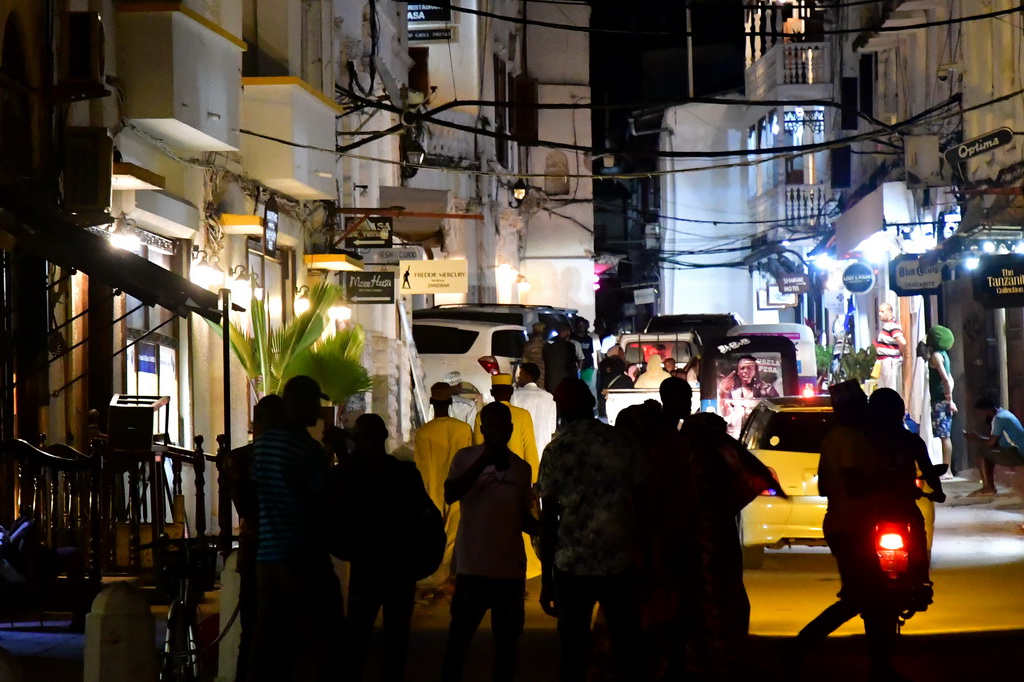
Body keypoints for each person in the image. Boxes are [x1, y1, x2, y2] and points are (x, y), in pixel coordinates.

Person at [538, 379, 648, 682]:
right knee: (628, 648)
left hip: (571, 565)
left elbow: (549, 518)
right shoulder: (623, 443)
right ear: (591, 405)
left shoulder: (556, 450)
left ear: (561, 410)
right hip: (619, 560)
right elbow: (643, 504)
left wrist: (547, 580)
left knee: (573, 652)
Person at [792, 381, 903, 681]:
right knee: (867, 599)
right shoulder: (851, 438)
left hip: (846, 526)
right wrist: (886, 483)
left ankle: (877, 666)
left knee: (867, 598)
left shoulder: (834, 438)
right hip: (852, 528)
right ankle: (799, 647)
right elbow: (855, 483)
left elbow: (824, 485)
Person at [249, 375, 342, 682]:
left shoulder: (261, 446)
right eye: (315, 402)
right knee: (323, 635)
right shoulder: (306, 448)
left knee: (270, 639)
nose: (318, 409)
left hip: (268, 556)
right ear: (298, 405)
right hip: (303, 554)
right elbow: (322, 500)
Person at [440, 402, 539, 682]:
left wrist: (545, 530)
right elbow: (451, 494)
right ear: (483, 430)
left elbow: (521, 516)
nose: (496, 432)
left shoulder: (521, 468)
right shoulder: (465, 458)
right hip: (472, 569)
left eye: (501, 427)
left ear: (509, 430)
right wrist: (484, 460)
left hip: (509, 572)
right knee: (458, 642)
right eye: (490, 427)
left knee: (507, 648)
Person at [337, 413, 434, 682]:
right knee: (393, 641)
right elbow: (425, 518)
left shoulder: (358, 473)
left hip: (371, 564)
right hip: (397, 565)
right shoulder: (403, 473)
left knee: (359, 637)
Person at [225, 394, 284, 682]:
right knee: (260, 630)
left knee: (256, 631)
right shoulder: (246, 458)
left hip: (261, 549)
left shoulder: (243, 458)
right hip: (273, 549)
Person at [474, 373, 541, 578]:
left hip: (489, 478)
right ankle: (524, 566)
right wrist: (535, 481)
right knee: (518, 522)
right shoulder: (522, 415)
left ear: (493, 393)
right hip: (517, 478)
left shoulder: (482, 415)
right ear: (511, 392)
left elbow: (478, 448)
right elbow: (530, 449)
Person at [414, 383, 474, 594]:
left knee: (436, 533)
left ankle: (436, 573)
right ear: (450, 402)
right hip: (459, 486)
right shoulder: (464, 429)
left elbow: (421, 467)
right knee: (454, 532)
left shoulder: (423, 432)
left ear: (432, 402)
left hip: (433, 488)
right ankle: (448, 574)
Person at [964, 396, 1024, 497]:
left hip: (1017, 454)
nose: (979, 417)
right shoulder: (1004, 414)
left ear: (985, 411)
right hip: (1017, 451)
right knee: (987, 451)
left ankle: (988, 487)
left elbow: (991, 443)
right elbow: (994, 441)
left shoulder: (999, 418)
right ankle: (989, 486)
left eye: (979, 413)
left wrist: (976, 438)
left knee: (982, 451)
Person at [922, 325, 957, 476]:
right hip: (942, 399)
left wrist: (949, 399)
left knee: (944, 435)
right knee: (944, 434)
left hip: (940, 400)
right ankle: (946, 469)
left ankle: (947, 470)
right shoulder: (944, 355)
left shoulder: (936, 356)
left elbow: (945, 379)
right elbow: (951, 379)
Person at [511, 363, 558, 460]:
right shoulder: (549, 397)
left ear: (527, 376)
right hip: (542, 450)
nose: (518, 378)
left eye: (520, 374)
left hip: (522, 450)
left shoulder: (516, 395)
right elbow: (552, 429)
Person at [875, 303, 909, 397]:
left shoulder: (892, 326)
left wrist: (900, 353)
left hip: (889, 360)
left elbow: (902, 342)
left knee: (889, 389)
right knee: (883, 388)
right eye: (879, 311)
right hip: (884, 361)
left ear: (889, 312)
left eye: (882, 311)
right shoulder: (888, 325)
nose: (880, 314)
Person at [542, 322, 579, 394]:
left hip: (551, 382)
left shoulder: (548, 347)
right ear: (566, 332)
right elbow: (572, 366)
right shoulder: (570, 346)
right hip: (566, 382)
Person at [521, 323, 548, 390]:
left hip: (531, 373)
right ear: (542, 332)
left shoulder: (527, 345)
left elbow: (524, 359)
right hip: (544, 372)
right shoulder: (546, 345)